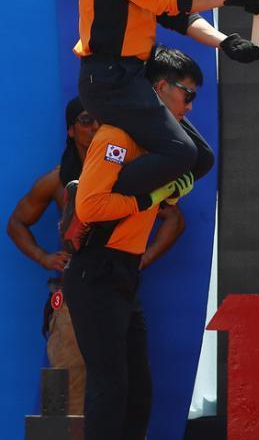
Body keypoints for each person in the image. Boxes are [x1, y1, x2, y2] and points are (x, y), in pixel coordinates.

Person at [65, 0, 259, 250]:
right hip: (109, 81)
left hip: (130, 78)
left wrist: (225, 42)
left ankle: (127, 202)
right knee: (180, 152)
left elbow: (179, 16)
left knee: (201, 159)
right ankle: (90, 201)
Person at [62, 46, 204, 440]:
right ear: (158, 88)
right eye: (185, 94)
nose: (189, 107)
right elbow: (91, 208)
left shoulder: (158, 145)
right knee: (110, 384)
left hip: (123, 273)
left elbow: (198, 156)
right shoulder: (118, 136)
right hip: (94, 272)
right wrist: (152, 194)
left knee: (138, 388)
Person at [6, 99, 183, 416]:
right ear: (71, 130)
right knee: (68, 390)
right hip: (72, 293)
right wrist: (44, 257)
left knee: (125, 390)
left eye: (102, 121)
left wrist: (142, 256)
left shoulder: (130, 178)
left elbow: (174, 219)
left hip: (117, 285)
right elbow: (16, 222)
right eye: (86, 121)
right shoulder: (58, 181)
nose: (96, 128)